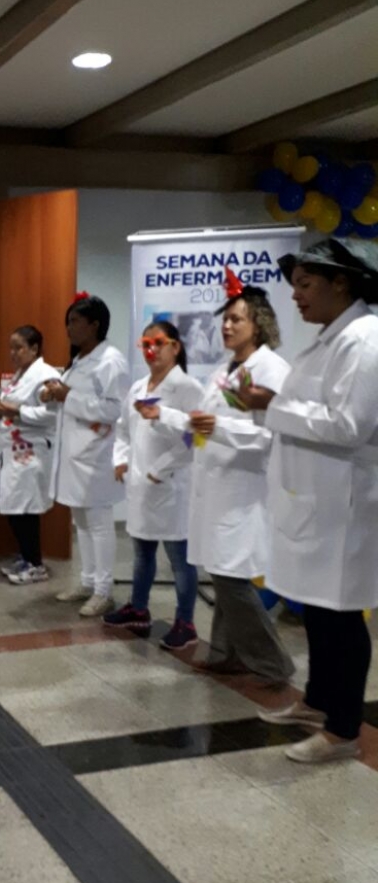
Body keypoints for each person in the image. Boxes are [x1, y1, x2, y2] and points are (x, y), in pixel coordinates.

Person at [237, 238, 378, 764]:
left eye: (305, 284)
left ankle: (343, 731)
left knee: (341, 616)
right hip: (315, 499)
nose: (295, 295)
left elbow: (349, 426)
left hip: (343, 504)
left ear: (341, 283)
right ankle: (318, 704)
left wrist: (272, 406)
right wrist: (268, 407)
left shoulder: (364, 340)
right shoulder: (329, 339)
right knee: (318, 611)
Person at [152, 274, 294, 682]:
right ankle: (226, 653)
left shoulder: (272, 370)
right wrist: (166, 415)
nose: (227, 326)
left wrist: (220, 429)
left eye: (237, 319)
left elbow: (273, 435)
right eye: (225, 320)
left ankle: (273, 663)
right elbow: (204, 423)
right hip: (215, 486)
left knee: (232, 580)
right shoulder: (222, 371)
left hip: (244, 491)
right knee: (222, 572)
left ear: (259, 324)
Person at [105, 321, 203, 650]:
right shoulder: (137, 388)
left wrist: (161, 469)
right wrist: (120, 459)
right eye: (145, 344)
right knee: (142, 551)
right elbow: (123, 428)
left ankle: (185, 622)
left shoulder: (188, 387)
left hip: (173, 484)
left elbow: (194, 437)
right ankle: (138, 608)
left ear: (175, 347)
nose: (151, 350)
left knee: (180, 559)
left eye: (158, 343)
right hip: (140, 485)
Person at [43, 293, 129, 617]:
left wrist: (68, 396)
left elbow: (115, 409)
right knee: (81, 521)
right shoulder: (80, 359)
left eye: (75, 322)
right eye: (68, 321)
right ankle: (88, 580)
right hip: (77, 455)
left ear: (95, 325)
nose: (68, 328)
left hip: (97, 456)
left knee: (99, 524)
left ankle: (104, 591)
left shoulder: (110, 361)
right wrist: (55, 394)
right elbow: (73, 402)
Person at [0, 325, 58, 584]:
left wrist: (16, 412)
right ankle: (26, 557)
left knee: (25, 509)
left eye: (19, 348)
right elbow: (12, 408)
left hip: (31, 450)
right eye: (11, 348)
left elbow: (53, 414)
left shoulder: (47, 376)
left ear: (34, 348)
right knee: (13, 506)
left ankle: (36, 565)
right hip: (12, 449)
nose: (13, 353)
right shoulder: (19, 376)